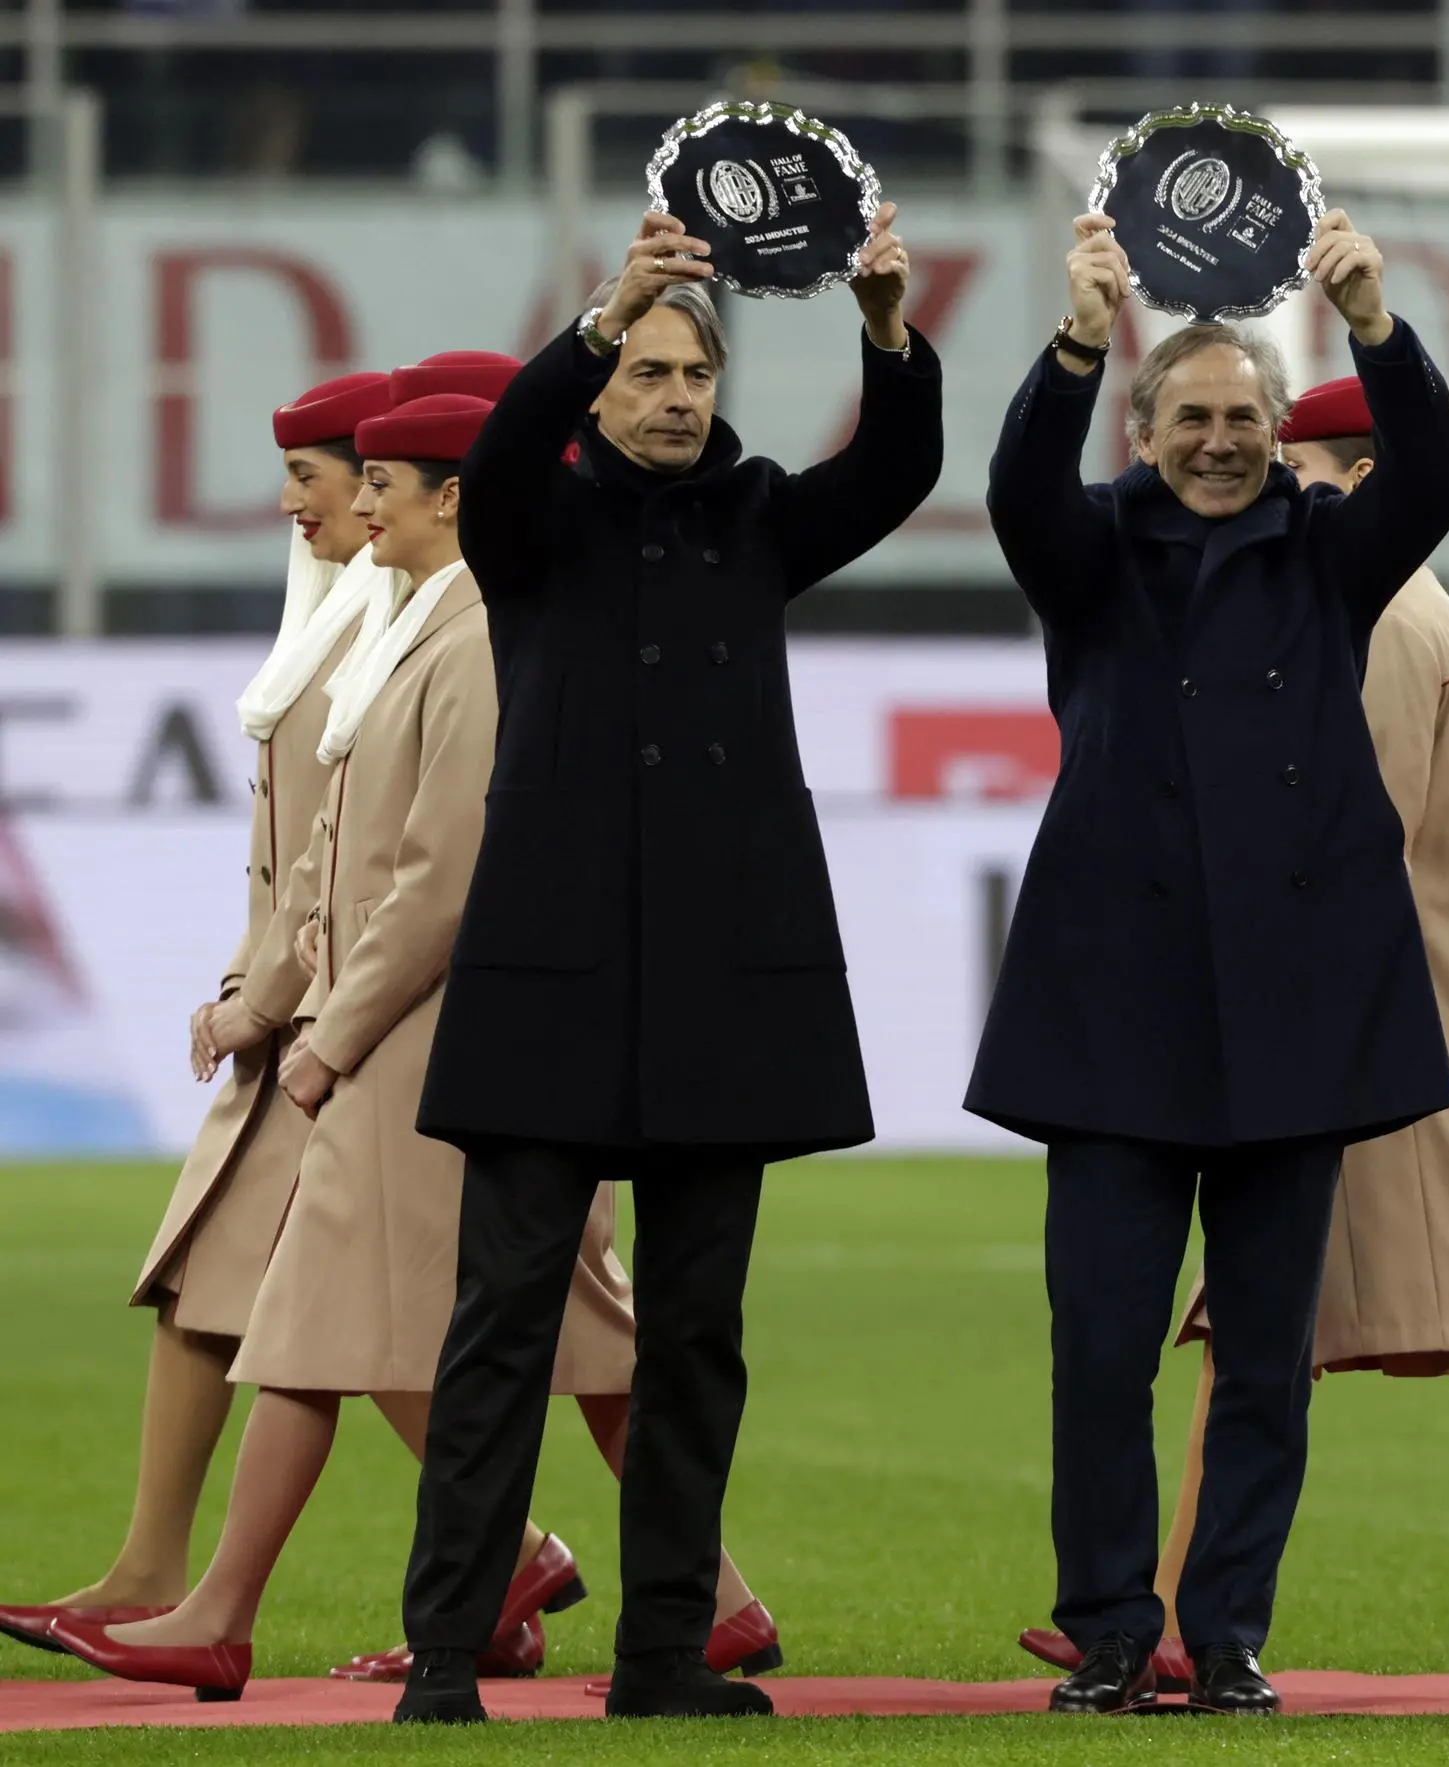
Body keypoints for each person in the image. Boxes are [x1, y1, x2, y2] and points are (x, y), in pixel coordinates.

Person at [1012, 371, 1449, 1702]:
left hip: (1367, 1027)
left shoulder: (1365, 609)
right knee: (1282, 1328)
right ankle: (1182, 1615)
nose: (1270, 488)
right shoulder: (1401, 604)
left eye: (1298, 464)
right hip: (1394, 1017)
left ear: (1356, 474)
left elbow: (1316, 818)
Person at [395, 203, 942, 1726]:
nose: (671, 396)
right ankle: (443, 1656)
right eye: (642, 370)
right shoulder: (533, 521)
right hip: (551, 982)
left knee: (697, 1343)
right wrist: (597, 313)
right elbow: (500, 457)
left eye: (691, 372)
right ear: (601, 383)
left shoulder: (759, 516)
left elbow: (897, 468)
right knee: (501, 1328)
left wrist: (886, 328)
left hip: (721, 989)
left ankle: (660, 1655)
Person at [46, 392, 642, 1701]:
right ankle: (579, 1585)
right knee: (370, 1326)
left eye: (378, 481)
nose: (350, 507)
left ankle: (224, 1605)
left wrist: (313, 1028)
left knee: (466, 1327)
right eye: (351, 477)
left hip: (414, 1035)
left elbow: (434, 879)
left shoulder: (473, 641)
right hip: (380, 1029)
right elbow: (343, 860)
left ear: (455, 497)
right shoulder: (418, 631)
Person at [966, 211, 1449, 1717]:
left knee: (1263, 1363)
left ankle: (1230, 1631)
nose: (1221, 439)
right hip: (1115, 1012)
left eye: (1245, 416)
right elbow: (1010, 487)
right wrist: (1071, 337)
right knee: (1102, 1354)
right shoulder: (1090, 548)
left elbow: (1438, 474)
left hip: (1290, 1014)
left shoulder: (1327, 552)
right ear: (1143, 426)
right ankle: (1113, 1627)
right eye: (1190, 415)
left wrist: (1376, 323)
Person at [0, 372, 390, 1658]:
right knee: (212, 1287)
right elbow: (296, 860)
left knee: (370, 1312)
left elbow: (364, 861)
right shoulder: (337, 615)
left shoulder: (403, 627)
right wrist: (250, 989)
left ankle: (591, 1571)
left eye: (317, 479)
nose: (292, 504)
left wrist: (264, 1001)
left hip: (351, 1024)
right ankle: (150, 1570)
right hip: (303, 1014)